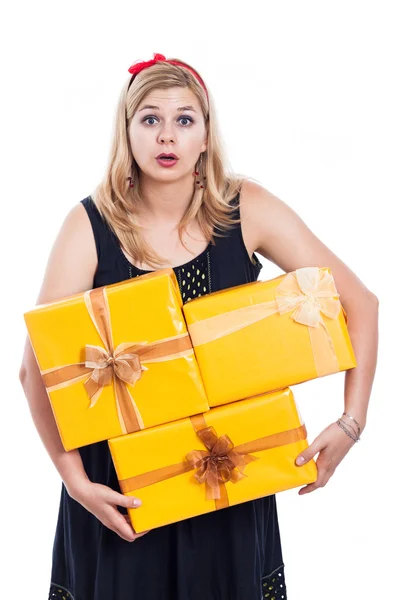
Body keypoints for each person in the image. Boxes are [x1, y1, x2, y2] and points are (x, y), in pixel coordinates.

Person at [19, 53, 379, 600]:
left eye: (185, 119)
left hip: (227, 480)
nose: (168, 136)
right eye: (150, 119)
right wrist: (77, 484)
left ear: (207, 135)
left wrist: (351, 424)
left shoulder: (247, 209)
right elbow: (34, 369)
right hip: (122, 496)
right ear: (127, 131)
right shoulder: (89, 226)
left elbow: (361, 303)